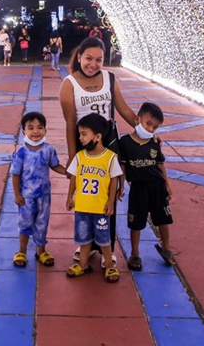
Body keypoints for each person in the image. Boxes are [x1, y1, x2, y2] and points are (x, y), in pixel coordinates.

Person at [59, 37, 151, 268]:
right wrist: (73, 159)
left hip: (109, 146)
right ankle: (86, 245)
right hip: (84, 147)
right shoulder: (69, 84)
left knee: (108, 198)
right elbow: (70, 123)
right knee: (85, 198)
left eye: (99, 59)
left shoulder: (110, 78)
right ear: (79, 57)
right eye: (89, 58)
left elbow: (125, 111)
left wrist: (145, 132)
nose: (93, 64)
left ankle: (106, 247)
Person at [65, 113, 122, 283]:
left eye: (84, 134)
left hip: (100, 208)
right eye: (80, 134)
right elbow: (74, 177)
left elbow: (114, 180)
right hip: (82, 207)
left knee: (104, 239)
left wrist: (111, 201)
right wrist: (70, 197)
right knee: (84, 238)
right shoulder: (80, 156)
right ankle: (83, 264)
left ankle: (110, 265)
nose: (81, 138)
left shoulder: (110, 157)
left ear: (97, 136)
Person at [118, 102, 175, 269]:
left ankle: (166, 249)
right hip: (138, 188)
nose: (150, 129)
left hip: (157, 187)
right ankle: (135, 254)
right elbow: (123, 166)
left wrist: (167, 185)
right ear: (137, 119)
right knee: (135, 222)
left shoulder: (154, 143)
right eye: (148, 124)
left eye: (155, 127)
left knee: (163, 220)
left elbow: (160, 164)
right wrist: (121, 185)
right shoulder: (125, 142)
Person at [10, 112, 67, 268]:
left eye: (39, 128)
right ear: (24, 132)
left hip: (44, 197)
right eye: (31, 128)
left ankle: (41, 250)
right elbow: (15, 175)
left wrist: (67, 172)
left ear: (45, 131)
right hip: (26, 197)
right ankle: (21, 251)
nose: (36, 131)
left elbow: (54, 165)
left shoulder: (49, 149)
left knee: (42, 223)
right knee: (25, 223)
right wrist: (17, 194)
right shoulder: (21, 153)